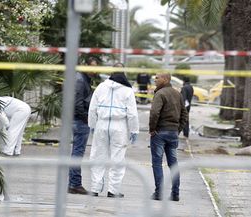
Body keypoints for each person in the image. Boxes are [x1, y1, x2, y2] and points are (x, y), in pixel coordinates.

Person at [88, 70, 139, 198]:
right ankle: (113, 191)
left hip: (101, 124)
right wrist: (134, 130)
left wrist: (92, 125)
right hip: (119, 126)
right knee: (118, 158)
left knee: (97, 156)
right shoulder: (127, 90)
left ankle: (94, 188)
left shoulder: (101, 87)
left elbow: (92, 108)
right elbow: (132, 113)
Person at [149, 73, 188, 201]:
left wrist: (152, 129)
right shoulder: (178, 94)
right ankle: (175, 194)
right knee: (173, 164)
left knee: (157, 163)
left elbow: (154, 113)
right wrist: (177, 130)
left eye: (157, 78)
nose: (155, 80)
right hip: (173, 133)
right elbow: (184, 115)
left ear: (165, 79)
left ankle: (159, 193)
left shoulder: (160, 94)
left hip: (160, 133)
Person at [68, 57, 98, 195]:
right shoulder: (80, 80)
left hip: (79, 119)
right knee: (77, 153)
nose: (94, 70)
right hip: (80, 121)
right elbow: (77, 103)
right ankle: (75, 184)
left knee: (77, 152)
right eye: (92, 67)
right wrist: (86, 118)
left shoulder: (83, 78)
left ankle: (73, 183)